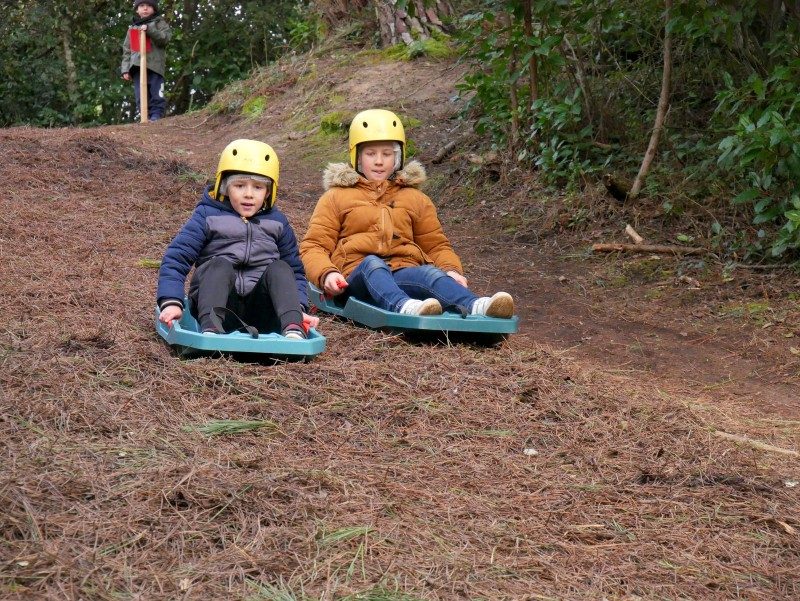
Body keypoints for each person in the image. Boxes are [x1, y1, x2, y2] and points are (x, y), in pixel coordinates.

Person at [300, 108, 515, 318]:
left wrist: (451, 270)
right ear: (357, 156)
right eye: (370, 153)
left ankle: (477, 305)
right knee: (372, 264)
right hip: (356, 276)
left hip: (402, 272)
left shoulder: (414, 198)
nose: (379, 161)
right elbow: (314, 247)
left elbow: (436, 245)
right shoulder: (336, 197)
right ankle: (405, 307)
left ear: (398, 157)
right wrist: (327, 273)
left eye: (387, 154)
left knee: (429, 273)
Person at [157, 139, 318, 340]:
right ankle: (211, 331)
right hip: (216, 306)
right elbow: (176, 259)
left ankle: (293, 328)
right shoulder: (208, 216)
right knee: (218, 265)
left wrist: (298, 307)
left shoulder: (277, 223)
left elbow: (295, 272)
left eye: (258, 187)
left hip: (262, 311)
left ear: (268, 192)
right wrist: (172, 300)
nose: (248, 194)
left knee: (281, 268)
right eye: (240, 185)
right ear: (224, 186)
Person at [120, 0, 171, 121]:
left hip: (155, 66)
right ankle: (144, 117)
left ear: (154, 9)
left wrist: (149, 30)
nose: (145, 8)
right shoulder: (133, 28)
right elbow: (127, 50)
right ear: (137, 10)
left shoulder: (159, 23)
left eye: (149, 6)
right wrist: (125, 69)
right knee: (140, 95)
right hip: (137, 67)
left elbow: (165, 39)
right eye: (142, 6)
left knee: (156, 92)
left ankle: (156, 116)